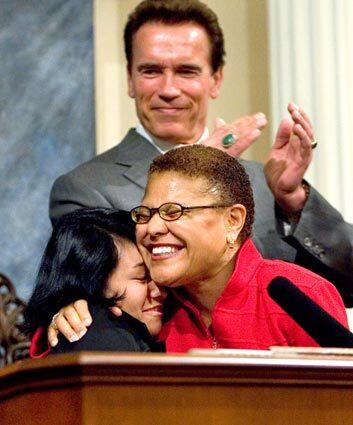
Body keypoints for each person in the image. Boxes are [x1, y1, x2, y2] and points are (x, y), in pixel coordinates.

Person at [49, 0, 353, 303]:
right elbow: (107, 302)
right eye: (151, 71)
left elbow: (345, 285)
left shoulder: (264, 183)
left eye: (186, 71)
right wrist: (189, 179)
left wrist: (294, 201)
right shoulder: (82, 189)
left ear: (216, 79)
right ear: (130, 79)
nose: (168, 89)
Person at [45, 145, 348, 351]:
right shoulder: (156, 308)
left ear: (232, 220)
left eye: (174, 211)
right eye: (145, 214)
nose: (151, 229)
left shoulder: (299, 294)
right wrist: (71, 314)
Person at [26, 208, 166, 356]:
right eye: (142, 277)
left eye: (156, 273)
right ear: (94, 283)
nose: (159, 291)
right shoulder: (107, 343)